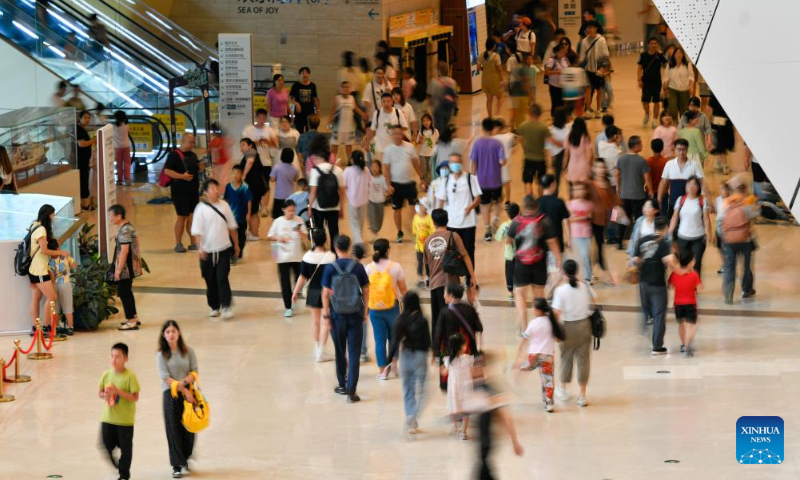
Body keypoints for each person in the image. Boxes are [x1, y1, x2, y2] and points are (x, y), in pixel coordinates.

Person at [322, 235, 370, 403]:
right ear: (349, 247)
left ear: (335, 248)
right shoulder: (358, 267)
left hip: (336, 316)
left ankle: (342, 384)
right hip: (355, 314)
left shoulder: (330, 268)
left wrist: (326, 315)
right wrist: (365, 310)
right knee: (354, 352)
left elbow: (325, 294)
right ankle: (352, 391)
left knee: (340, 350)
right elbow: (365, 289)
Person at [507, 195, 561, 335]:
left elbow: (509, 240)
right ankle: (539, 326)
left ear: (523, 207)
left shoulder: (515, 222)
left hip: (521, 264)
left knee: (520, 295)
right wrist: (558, 259)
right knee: (538, 296)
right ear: (536, 206)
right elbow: (552, 242)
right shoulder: (544, 221)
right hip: (539, 264)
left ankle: (524, 328)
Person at [191, 179, 240, 319]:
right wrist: (200, 249)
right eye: (212, 189)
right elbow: (197, 232)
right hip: (206, 251)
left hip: (223, 249)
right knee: (210, 279)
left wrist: (236, 244)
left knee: (222, 277)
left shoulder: (225, 206)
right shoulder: (200, 208)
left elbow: (231, 227)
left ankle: (226, 305)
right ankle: (214, 306)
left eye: (217, 188)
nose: (216, 191)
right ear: (206, 192)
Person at [156, 321, 198, 478]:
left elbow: (194, 371)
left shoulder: (188, 351)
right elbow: (165, 378)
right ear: (164, 335)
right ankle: (176, 465)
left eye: (173, 331)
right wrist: (182, 389)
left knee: (190, 427)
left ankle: (185, 457)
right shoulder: (161, 355)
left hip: (189, 393)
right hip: (170, 395)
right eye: (167, 332)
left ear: (178, 333)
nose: (171, 334)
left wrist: (185, 386)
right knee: (173, 429)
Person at [424, 210, 476, 334]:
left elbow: (426, 266)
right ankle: (453, 346)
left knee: (438, 318)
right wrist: (472, 276)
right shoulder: (453, 236)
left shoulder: (427, 240)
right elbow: (465, 256)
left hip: (435, 284)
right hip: (451, 284)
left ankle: (439, 348)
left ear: (433, 222)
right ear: (447, 220)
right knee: (452, 319)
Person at [387, 291, 431, 435]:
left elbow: (394, 342)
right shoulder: (422, 320)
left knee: (408, 389)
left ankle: (410, 417)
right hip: (419, 356)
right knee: (424, 389)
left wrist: (389, 360)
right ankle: (414, 416)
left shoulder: (400, 320)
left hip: (405, 355)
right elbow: (427, 343)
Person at [551, 260, 594, 406]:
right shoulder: (584, 287)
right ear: (576, 271)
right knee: (584, 360)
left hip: (567, 327)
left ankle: (563, 390)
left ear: (563, 273)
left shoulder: (560, 291)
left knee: (566, 358)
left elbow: (556, 313)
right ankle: (582, 396)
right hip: (584, 326)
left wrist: (555, 332)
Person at [435, 154, 482, 288]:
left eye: (458, 162)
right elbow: (440, 200)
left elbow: (478, 197)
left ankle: (470, 279)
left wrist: (470, 207)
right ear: (449, 165)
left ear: (462, 163)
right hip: (451, 223)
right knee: (452, 253)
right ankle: (454, 279)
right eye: (453, 162)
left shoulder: (470, 178)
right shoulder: (445, 181)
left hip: (468, 223)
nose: (455, 165)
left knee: (468, 251)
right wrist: (438, 221)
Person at [633, 216, 676, 354]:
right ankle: (657, 346)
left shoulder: (642, 240)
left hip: (643, 282)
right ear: (666, 229)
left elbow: (635, 259)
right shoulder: (664, 244)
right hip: (658, 283)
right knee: (659, 315)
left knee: (648, 310)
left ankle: (644, 328)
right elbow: (669, 261)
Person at [366, 238, 407, 379]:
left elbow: (364, 290)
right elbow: (403, 289)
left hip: (375, 309)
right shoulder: (396, 267)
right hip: (393, 307)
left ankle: (383, 371)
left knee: (380, 340)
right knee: (394, 337)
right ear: (388, 250)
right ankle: (394, 365)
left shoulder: (369, 268)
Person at [293, 228, 336, 362]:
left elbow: (302, 277)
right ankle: (321, 352)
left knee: (315, 322)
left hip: (312, 291)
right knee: (326, 323)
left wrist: (295, 292)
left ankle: (316, 348)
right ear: (326, 241)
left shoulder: (307, 257)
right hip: (327, 293)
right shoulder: (331, 257)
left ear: (312, 241)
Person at [514, 298, 565, 412]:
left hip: (534, 355)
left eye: (533, 307)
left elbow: (524, 339)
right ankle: (549, 402)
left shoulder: (533, 323)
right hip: (547, 355)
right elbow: (557, 339)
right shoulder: (551, 322)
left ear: (538, 310)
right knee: (548, 379)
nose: (531, 309)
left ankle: (517, 373)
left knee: (525, 367)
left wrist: (518, 354)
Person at [98, 343, 139, 480]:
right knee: (105, 444)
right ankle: (118, 465)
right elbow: (100, 393)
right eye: (112, 356)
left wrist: (118, 392)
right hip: (108, 418)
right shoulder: (106, 375)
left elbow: (134, 397)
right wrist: (105, 395)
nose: (113, 360)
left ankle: (124, 475)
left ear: (125, 359)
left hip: (125, 420)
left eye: (118, 357)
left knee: (126, 450)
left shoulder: (130, 376)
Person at [27, 204, 68, 336]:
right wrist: (61, 252)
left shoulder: (34, 224)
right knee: (52, 297)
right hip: (39, 270)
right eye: (52, 214)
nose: (53, 217)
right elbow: (44, 251)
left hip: (34, 268)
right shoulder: (41, 230)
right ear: (47, 215)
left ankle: (35, 327)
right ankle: (46, 327)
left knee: (36, 297)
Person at [383, 124, 424, 244]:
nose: (397, 136)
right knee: (397, 210)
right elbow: (386, 169)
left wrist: (422, 177)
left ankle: (417, 231)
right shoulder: (388, 150)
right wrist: (388, 185)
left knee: (414, 208)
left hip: (410, 184)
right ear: (392, 135)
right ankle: (400, 232)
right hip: (396, 185)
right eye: (395, 133)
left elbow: (416, 163)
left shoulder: (410, 147)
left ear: (402, 134)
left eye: (399, 133)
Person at [267, 200, 307, 317]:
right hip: (282, 257)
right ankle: (288, 307)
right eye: (289, 210)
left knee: (299, 280)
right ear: (283, 210)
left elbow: (305, 237)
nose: (291, 213)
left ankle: (294, 296)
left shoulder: (299, 220)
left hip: (296, 257)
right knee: (285, 283)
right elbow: (270, 236)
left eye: (293, 210)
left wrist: (299, 232)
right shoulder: (278, 221)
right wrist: (279, 238)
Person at [471, 118, 507, 241]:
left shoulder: (477, 144)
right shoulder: (498, 144)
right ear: (492, 129)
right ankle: (495, 221)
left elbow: (474, 163)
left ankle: (487, 231)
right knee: (498, 200)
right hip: (496, 179)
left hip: (482, 180)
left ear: (482, 128)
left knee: (484, 204)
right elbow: (502, 161)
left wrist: (472, 177)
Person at [721, 181, 758, 303]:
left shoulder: (726, 203)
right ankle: (746, 290)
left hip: (730, 241)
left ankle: (729, 293)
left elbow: (721, 220)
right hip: (745, 240)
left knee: (730, 267)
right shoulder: (747, 203)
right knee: (746, 266)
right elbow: (755, 215)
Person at [108, 204, 143, 331]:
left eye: (111, 216)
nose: (110, 218)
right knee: (127, 291)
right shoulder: (127, 227)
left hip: (126, 268)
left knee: (124, 292)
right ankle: (133, 317)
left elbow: (124, 251)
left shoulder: (125, 230)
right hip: (129, 266)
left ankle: (131, 321)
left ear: (118, 216)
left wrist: (118, 269)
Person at [164, 134, 201, 252]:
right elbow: (167, 171)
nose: (192, 145)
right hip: (180, 191)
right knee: (182, 216)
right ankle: (178, 243)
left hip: (193, 191)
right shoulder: (173, 155)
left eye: (193, 142)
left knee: (191, 217)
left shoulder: (193, 155)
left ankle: (193, 242)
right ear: (183, 141)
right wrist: (182, 176)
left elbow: (194, 170)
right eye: (190, 142)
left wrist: (200, 167)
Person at [307, 135, 346, 246]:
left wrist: (309, 207)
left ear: (319, 157)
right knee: (334, 232)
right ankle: (335, 253)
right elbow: (342, 192)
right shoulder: (338, 170)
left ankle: (321, 250)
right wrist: (342, 207)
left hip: (318, 207)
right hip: (334, 206)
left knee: (319, 231)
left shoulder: (315, 171)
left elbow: (313, 191)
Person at [668, 175, 710, 277]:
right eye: (688, 184)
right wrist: (670, 231)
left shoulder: (702, 201)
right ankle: (685, 285)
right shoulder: (680, 200)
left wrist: (709, 234)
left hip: (699, 238)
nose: (691, 187)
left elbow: (706, 219)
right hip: (682, 237)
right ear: (685, 187)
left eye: (694, 185)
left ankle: (695, 286)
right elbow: (674, 217)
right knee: (683, 263)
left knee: (697, 263)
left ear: (698, 188)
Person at [588, 160, 621, 284]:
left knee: (598, 247)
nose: (600, 170)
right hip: (590, 221)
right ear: (594, 169)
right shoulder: (590, 184)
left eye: (602, 167)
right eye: (598, 167)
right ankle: (602, 275)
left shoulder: (607, 184)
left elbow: (615, 203)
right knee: (597, 247)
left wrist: (613, 219)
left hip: (602, 221)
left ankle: (591, 272)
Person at [615, 136, 652, 244]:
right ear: (636, 146)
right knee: (639, 219)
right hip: (638, 195)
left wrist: (618, 187)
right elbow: (647, 177)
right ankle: (638, 240)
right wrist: (650, 190)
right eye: (640, 144)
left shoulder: (621, 158)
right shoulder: (641, 160)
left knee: (624, 218)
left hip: (624, 194)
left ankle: (619, 240)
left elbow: (617, 174)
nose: (642, 146)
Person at [658, 138, 705, 219]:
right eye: (679, 149)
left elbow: (702, 182)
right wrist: (659, 199)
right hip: (673, 204)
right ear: (674, 149)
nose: (681, 152)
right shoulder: (669, 164)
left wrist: (708, 200)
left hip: (691, 206)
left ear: (687, 150)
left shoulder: (695, 165)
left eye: (684, 149)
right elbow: (663, 183)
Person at [669, 251, 702, 356]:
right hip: (690, 304)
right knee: (691, 326)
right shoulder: (694, 274)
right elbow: (700, 290)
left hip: (678, 304)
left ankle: (683, 345)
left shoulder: (674, 274)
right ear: (690, 263)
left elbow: (671, 287)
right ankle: (688, 347)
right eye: (693, 260)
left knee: (681, 325)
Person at [238, 137, 268, 241]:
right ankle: (251, 233)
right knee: (251, 210)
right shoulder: (251, 152)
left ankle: (255, 234)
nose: (241, 147)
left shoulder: (251, 151)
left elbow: (250, 161)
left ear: (250, 145)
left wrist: (244, 175)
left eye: (243, 145)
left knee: (253, 211)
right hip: (252, 187)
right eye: (240, 146)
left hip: (254, 187)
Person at [578, 21, 610, 118]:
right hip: (588, 69)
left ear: (596, 28)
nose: (589, 29)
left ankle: (598, 109)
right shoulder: (584, 41)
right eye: (588, 28)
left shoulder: (601, 40)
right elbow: (582, 57)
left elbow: (606, 55)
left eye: (591, 27)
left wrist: (604, 68)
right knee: (587, 89)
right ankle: (587, 109)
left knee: (599, 90)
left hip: (599, 69)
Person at [364, 93, 409, 162]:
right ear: (381, 102)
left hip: (395, 148)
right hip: (379, 148)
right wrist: (367, 143)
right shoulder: (377, 113)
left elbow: (405, 127)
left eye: (388, 101)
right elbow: (372, 130)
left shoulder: (398, 112)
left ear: (392, 102)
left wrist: (395, 130)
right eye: (384, 101)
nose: (386, 103)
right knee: (381, 171)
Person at [444, 333, 473, 440]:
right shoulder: (468, 359)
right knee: (466, 410)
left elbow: (444, 372)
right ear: (463, 346)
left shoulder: (448, 360)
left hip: (454, 388)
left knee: (454, 407)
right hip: (466, 388)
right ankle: (463, 432)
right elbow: (472, 371)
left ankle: (455, 427)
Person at [329, 81, 367, 161]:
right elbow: (332, 111)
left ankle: (350, 162)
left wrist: (363, 114)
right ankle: (332, 163)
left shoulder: (352, 98)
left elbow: (356, 109)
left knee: (349, 146)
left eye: (348, 87)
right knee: (334, 147)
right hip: (337, 128)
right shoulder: (337, 98)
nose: (346, 89)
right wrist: (330, 122)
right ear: (340, 89)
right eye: (344, 87)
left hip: (349, 128)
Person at [517, 104, 550, 197]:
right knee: (541, 182)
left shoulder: (523, 126)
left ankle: (530, 202)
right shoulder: (543, 127)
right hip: (540, 159)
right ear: (540, 114)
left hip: (528, 158)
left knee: (528, 181)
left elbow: (520, 139)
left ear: (529, 113)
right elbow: (547, 144)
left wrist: (525, 148)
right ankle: (541, 201)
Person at [223, 164, 252, 264]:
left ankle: (240, 249)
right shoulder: (228, 187)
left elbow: (249, 200)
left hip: (242, 216)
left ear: (241, 174)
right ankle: (233, 254)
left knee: (241, 236)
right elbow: (225, 200)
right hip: (231, 216)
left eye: (238, 173)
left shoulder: (245, 187)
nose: (235, 175)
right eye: (234, 173)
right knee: (232, 235)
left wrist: (248, 213)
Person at [47, 239, 76, 336]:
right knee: (67, 305)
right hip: (66, 284)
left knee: (55, 307)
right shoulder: (65, 256)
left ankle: (57, 327)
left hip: (53, 285)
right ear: (57, 248)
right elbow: (74, 265)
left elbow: (51, 276)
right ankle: (70, 327)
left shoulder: (48, 261)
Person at [568, 182, 595, 283]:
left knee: (585, 255)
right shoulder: (570, 204)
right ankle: (578, 276)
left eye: (581, 189)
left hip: (586, 233)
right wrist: (584, 217)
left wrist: (579, 218)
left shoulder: (589, 204)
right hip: (575, 234)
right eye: (576, 189)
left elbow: (591, 218)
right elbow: (569, 219)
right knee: (578, 256)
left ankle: (587, 277)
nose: (579, 191)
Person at [638, 37, 666, 128]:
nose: (653, 45)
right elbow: (639, 68)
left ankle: (654, 119)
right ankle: (647, 113)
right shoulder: (643, 55)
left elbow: (667, 65)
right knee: (645, 101)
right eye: (651, 43)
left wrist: (662, 55)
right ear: (648, 45)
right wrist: (639, 80)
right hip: (646, 82)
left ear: (657, 44)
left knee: (656, 101)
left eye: (655, 43)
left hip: (657, 82)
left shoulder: (659, 55)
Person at [538, 174, 571, 252]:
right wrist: (568, 239)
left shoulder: (536, 203)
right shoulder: (559, 202)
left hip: (541, 244)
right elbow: (565, 221)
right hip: (557, 242)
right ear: (552, 185)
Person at [494, 202, 520, 301]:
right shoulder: (521, 224)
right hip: (520, 254)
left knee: (509, 273)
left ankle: (510, 293)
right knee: (519, 272)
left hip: (509, 254)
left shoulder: (505, 225)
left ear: (508, 214)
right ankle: (519, 291)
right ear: (518, 213)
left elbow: (498, 237)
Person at [343, 150, 370, 246]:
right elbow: (369, 183)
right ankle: (357, 241)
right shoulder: (366, 170)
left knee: (354, 223)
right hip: (364, 200)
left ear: (352, 160)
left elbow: (344, 185)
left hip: (353, 201)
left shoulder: (347, 170)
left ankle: (359, 242)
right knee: (360, 222)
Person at [663, 47, 694, 121]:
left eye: (681, 53)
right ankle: (675, 121)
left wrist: (692, 87)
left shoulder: (687, 65)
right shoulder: (670, 65)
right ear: (674, 55)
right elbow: (666, 78)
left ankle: (683, 123)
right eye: (677, 53)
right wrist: (664, 89)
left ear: (683, 54)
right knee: (672, 107)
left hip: (685, 90)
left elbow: (691, 77)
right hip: (672, 89)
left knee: (684, 109)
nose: (679, 55)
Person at [427, 61, 458, 134]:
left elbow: (429, 97)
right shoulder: (453, 82)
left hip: (437, 108)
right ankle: (445, 141)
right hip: (449, 109)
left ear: (437, 70)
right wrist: (455, 108)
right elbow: (456, 97)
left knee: (438, 129)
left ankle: (441, 142)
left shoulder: (433, 81)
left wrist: (429, 108)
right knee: (446, 126)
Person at [708, 93, 735, 175]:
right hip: (725, 122)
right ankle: (722, 164)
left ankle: (721, 163)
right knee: (721, 144)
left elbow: (709, 109)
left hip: (718, 121)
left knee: (720, 144)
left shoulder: (713, 95)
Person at [270, 148, 299, 220]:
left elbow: (272, 179)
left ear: (282, 155)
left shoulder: (277, 167)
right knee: (290, 217)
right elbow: (296, 179)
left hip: (279, 196)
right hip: (291, 196)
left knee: (277, 218)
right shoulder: (295, 168)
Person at [547, 107, 571, 193]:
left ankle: (555, 194)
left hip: (555, 157)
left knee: (556, 179)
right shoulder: (568, 128)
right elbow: (568, 144)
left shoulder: (550, 130)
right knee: (568, 180)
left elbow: (548, 148)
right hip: (567, 157)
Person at [478, 38, 504, 117]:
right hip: (494, 79)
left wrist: (485, 70)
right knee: (500, 97)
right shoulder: (496, 56)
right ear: (493, 46)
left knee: (489, 99)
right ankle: (498, 114)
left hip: (485, 79)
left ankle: (490, 116)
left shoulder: (482, 55)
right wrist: (502, 79)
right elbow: (499, 70)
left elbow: (478, 67)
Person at [289, 66, 320, 133]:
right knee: (299, 131)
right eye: (302, 73)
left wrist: (317, 111)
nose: (304, 74)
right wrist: (296, 104)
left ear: (309, 75)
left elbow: (315, 99)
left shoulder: (312, 85)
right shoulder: (296, 85)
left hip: (310, 113)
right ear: (300, 75)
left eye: (306, 73)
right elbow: (289, 98)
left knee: (310, 131)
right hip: (299, 113)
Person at [491, 118, 515, 204]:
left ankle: (497, 197)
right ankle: (507, 200)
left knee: (497, 181)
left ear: (497, 127)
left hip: (496, 162)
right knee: (506, 181)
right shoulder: (509, 136)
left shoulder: (493, 138)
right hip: (506, 162)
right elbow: (513, 144)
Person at [563, 117, 593, 185]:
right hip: (583, 165)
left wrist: (564, 167)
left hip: (572, 166)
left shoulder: (568, 137)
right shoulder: (585, 137)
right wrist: (589, 166)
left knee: (574, 190)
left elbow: (566, 155)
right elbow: (590, 155)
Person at [412, 198, 435, 288]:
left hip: (428, 247)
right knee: (419, 262)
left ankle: (429, 278)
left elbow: (433, 231)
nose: (420, 207)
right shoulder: (416, 217)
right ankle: (420, 278)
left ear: (426, 207)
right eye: (419, 205)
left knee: (428, 263)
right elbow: (414, 230)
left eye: (422, 205)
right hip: (419, 246)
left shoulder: (429, 218)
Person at [76, 111, 96, 209]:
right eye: (85, 118)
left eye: (89, 118)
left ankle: (85, 204)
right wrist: (93, 140)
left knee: (84, 180)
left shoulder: (81, 129)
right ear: (79, 118)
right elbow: (81, 144)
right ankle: (85, 205)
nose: (87, 120)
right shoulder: (79, 129)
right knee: (83, 181)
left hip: (83, 160)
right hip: (81, 160)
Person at [544, 44, 570, 117]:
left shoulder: (565, 59)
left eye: (563, 52)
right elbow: (547, 72)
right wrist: (556, 72)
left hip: (563, 85)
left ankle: (562, 119)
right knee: (555, 103)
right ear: (556, 52)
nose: (563, 54)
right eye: (561, 52)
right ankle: (554, 119)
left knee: (562, 103)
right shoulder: (551, 60)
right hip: (554, 86)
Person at [367, 159, 389, 239]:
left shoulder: (382, 178)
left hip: (380, 201)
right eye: (372, 167)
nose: (374, 169)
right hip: (370, 201)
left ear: (380, 168)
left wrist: (387, 192)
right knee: (372, 217)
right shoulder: (368, 177)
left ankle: (376, 230)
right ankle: (374, 232)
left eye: (376, 167)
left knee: (379, 219)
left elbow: (386, 188)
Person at [416, 113, 438, 183]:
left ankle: (432, 184)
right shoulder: (420, 132)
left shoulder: (435, 131)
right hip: (422, 154)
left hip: (432, 154)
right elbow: (418, 143)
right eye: (424, 121)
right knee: (424, 170)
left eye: (427, 120)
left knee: (431, 170)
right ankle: (426, 184)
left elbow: (437, 141)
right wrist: (420, 139)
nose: (426, 122)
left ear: (431, 121)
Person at [208, 124, 232, 189]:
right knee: (216, 179)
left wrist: (222, 146)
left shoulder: (222, 139)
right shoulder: (213, 141)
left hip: (225, 162)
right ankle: (218, 192)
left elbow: (231, 142)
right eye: (213, 131)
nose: (213, 133)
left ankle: (224, 193)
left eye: (213, 131)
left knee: (222, 179)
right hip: (217, 163)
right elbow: (211, 151)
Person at [112, 111, 132, 186]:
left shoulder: (113, 126)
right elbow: (129, 133)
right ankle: (127, 179)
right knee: (127, 163)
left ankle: (119, 180)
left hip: (117, 147)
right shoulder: (126, 125)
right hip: (126, 146)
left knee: (119, 164)